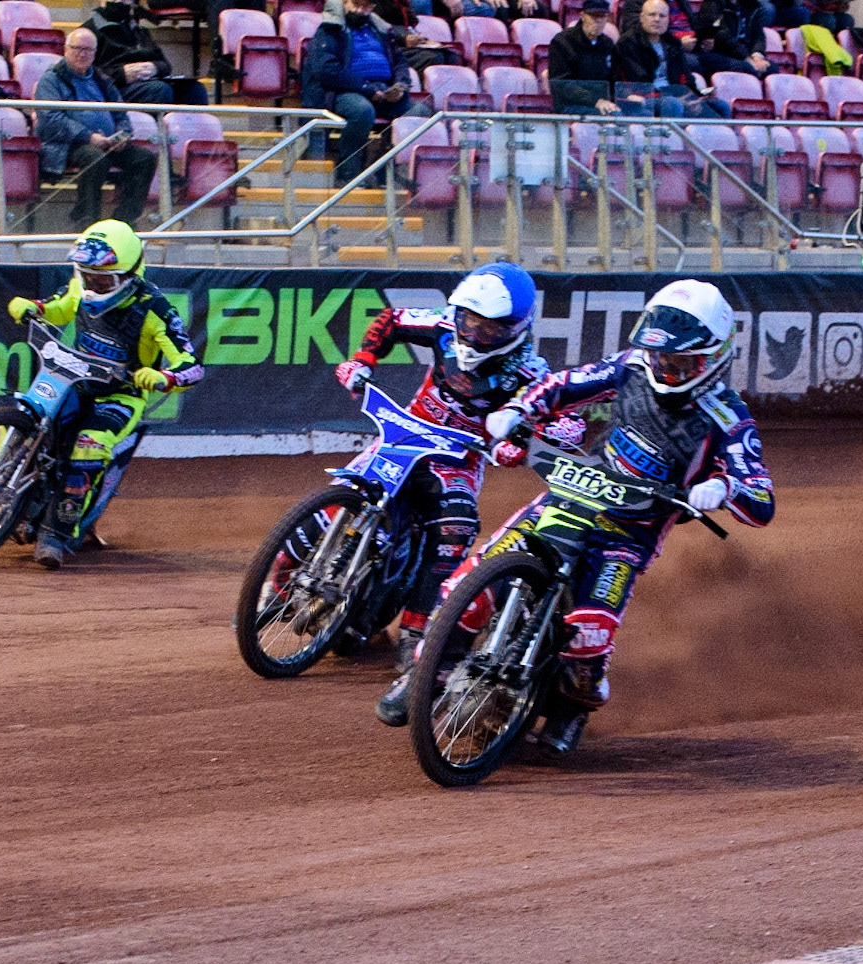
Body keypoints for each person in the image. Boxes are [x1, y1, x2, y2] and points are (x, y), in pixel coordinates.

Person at [469, 279, 776, 756]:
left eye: (678, 362)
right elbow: (566, 384)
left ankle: (574, 706)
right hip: (574, 492)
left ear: (713, 357)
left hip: (629, 532)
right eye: (659, 358)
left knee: (588, 637)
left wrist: (724, 487)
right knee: (471, 584)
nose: (664, 368)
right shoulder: (632, 367)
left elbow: (761, 499)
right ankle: (428, 670)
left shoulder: (728, 418)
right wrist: (518, 409)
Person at [352, 264, 555, 724]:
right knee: (350, 488)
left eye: (487, 327)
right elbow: (389, 321)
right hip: (403, 434)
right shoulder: (442, 325)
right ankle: (279, 583)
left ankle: (416, 632)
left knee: (457, 530)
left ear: (516, 327)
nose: (473, 332)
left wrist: (512, 443)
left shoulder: (530, 370)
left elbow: (537, 416)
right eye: (468, 320)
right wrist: (362, 360)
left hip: (458, 459)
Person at [4, 221, 204, 569]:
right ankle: (0, 487)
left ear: (129, 275)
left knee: (89, 444)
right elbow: (60, 308)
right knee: (26, 413)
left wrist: (164, 377)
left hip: (122, 395)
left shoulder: (156, 309)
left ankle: (56, 531)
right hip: (75, 378)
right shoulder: (80, 289)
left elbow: (193, 364)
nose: (92, 286)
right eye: (86, 276)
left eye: (103, 280)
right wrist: (34, 307)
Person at [36, 29, 160, 227]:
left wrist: (122, 136)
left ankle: (124, 222)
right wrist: (88, 136)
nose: (82, 54)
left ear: (95, 53)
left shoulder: (102, 80)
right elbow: (51, 120)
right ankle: (86, 220)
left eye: (88, 50)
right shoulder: (52, 79)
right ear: (66, 49)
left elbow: (120, 114)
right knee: (95, 159)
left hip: (107, 142)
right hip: (66, 145)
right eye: (77, 48)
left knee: (144, 159)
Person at [303, 0, 431, 182]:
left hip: (383, 89)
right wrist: (367, 88)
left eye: (367, 7)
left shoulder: (380, 30)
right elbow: (326, 70)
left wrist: (401, 86)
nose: (361, 11)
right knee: (362, 111)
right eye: (356, 5)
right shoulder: (329, 29)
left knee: (419, 112)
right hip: (343, 91)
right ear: (344, 3)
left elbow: (400, 61)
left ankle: (382, 169)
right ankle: (348, 173)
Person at [613, 0, 731, 118]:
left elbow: (686, 77)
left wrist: (693, 98)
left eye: (662, 16)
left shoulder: (673, 43)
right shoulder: (628, 43)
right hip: (644, 99)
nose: (657, 19)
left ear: (668, 19)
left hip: (673, 95)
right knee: (673, 104)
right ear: (642, 17)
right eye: (652, 15)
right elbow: (641, 83)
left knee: (720, 106)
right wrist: (679, 98)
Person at [83, 1, 208, 106]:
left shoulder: (138, 30)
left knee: (195, 89)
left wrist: (155, 68)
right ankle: (154, 134)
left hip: (148, 82)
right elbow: (86, 74)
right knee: (160, 90)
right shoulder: (89, 32)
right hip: (115, 89)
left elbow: (165, 66)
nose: (125, 3)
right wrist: (121, 74)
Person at [548, 0, 621, 114]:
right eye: (593, 16)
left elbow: (613, 79)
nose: (597, 20)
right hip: (570, 105)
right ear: (582, 16)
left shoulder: (607, 44)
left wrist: (625, 96)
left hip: (602, 104)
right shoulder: (562, 42)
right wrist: (595, 101)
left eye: (602, 16)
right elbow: (561, 84)